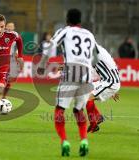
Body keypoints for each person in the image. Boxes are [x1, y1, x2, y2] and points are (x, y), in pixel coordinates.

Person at [37, 8, 103, 157]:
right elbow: (96, 56)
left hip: (71, 72)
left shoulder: (65, 31)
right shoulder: (89, 34)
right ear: (80, 20)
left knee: (60, 109)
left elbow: (51, 45)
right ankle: (84, 140)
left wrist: (42, 65)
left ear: (67, 20)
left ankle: (64, 141)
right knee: (78, 110)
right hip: (86, 75)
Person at [86, 45, 121, 133]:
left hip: (110, 82)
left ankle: (93, 125)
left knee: (87, 99)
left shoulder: (98, 53)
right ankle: (98, 117)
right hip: (107, 81)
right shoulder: (97, 53)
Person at [2, 22, 24, 99]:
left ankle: (4, 96)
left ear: (14, 28)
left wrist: (17, 53)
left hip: (10, 59)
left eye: (11, 26)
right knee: (1, 78)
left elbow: (19, 47)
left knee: (9, 80)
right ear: (5, 27)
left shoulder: (16, 36)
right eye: (8, 26)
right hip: (1, 59)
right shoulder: (1, 35)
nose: (10, 28)